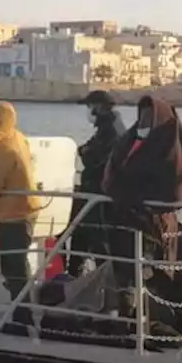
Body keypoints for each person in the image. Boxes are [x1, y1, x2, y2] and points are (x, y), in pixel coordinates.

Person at [102, 95, 182, 335]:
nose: (144, 121)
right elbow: (117, 170)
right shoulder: (132, 139)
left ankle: (140, 323)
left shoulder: (171, 144)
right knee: (126, 271)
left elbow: (173, 186)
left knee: (142, 271)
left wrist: (134, 191)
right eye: (142, 115)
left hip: (151, 222)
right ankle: (129, 319)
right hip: (125, 217)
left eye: (149, 116)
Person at [0, 101, 44, 323]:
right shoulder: (16, 138)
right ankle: (22, 312)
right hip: (24, 210)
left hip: (13, 214)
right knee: (18, 264)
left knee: (13, 267)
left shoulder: (4, 151)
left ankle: (22, 316)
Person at [68, 90, 125, 276]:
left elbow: (94, 158)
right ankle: (74, 280)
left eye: (90, 107)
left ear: (99, 107)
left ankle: (106, 287)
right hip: (92, 193)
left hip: (99, 196)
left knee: (98, 244)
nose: (89, 111)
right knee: (80, 239)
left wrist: (85, 152)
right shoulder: (108, 127)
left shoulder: (111, 131)